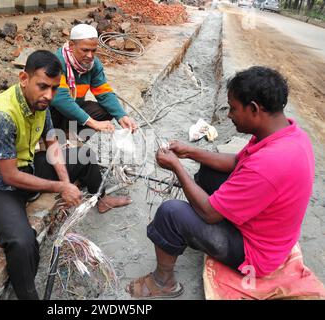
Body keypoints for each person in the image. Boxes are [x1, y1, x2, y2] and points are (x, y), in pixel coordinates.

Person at [126, 66, 315, 298]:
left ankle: (163, 281)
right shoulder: (286, 134)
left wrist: (177, 167)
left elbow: (209, 213)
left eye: (233, 109)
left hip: (255, 256)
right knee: (208, 172)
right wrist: (190, 152)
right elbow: (237, 162)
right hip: (271, 231)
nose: (229, 115)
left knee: (170, 213)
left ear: (254, 109)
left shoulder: (269, 164)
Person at [0, 50, 132, 300]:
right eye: (43, 86)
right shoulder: (1, 114)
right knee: (23, 242)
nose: (49, 95)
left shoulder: (40, 103)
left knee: (85, 156)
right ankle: (27, 294)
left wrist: (66, 182)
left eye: (55, 88)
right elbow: (9, 175)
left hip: (25, 166)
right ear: (24, 78)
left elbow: (52, 144)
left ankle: (102, 201)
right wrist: (59, 187)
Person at [50, 23, 138, 139]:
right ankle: (54, 135)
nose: (90, 55)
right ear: (71, 46)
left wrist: (122, 116)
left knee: (107, 110)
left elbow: (104, 93)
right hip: (52, 114)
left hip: (72, 112)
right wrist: (93, 123)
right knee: (59, 107)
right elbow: (61, 99)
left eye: (93, 50)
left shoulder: (93, 65)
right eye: (85, 50)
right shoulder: (56, 62)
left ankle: (71, 136)